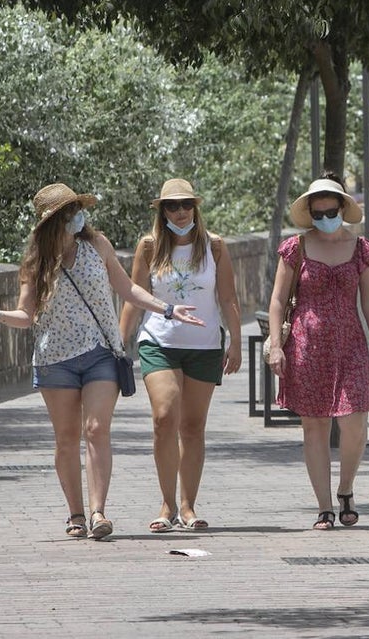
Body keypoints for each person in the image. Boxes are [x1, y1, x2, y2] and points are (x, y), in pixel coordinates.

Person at [0, 183, 204, 541]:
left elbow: (127, 289)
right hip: (55, 359)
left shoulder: (98, 245)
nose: (78, 216)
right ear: (55, 222)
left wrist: (167, 308)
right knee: (66, 438)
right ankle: (75, 513)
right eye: (70, 212)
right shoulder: (36, 262)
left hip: (100, 353)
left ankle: (98, 512)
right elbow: (26, 315)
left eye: (77, 209)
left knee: (95, 430)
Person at [119, 179, 243, 533]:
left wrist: (234, 341)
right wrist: (120, 343)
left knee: (192, 426)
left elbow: (228, 297)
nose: (180, 211)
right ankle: (167, 503)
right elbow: (133, 295)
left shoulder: (214, 246)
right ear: (162, 211)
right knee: (164, 416)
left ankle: (188, 506)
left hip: (204, 345)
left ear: (195, 208)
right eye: (172, 206)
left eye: (186, 204)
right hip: (159, 341)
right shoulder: (149, 246)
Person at [265, 174, 369, 530]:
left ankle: (346, 487)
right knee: (314, 427)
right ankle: (323, 506)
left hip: (350, 344)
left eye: (330, 211)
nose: (324, 218)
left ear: (343, 209)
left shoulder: (362, 249)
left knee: (355, 421)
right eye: (317, 214)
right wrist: (275, 345)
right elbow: (276, 300)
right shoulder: (295, 248)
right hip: (306, 345)